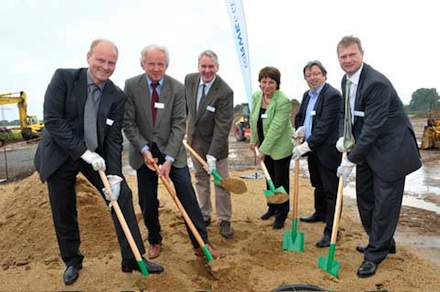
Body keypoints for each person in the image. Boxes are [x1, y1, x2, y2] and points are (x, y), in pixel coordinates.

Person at [33, 39, 164, 286]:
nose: (105, 67)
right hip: (61, 153)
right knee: (64, 207)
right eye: (100, 60)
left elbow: (114, 138)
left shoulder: (116, 95)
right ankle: (73, 261)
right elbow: (52, 120)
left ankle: (133, 258)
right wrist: (83, 152)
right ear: (88, 58)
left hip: (96, 156)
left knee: (121, 195)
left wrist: (114, 174)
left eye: (111, 63)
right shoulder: (64, 79)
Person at [123, 44, 225, 260]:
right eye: (151, 64)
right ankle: (154, 240)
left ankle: (200, 243)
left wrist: (168, 159)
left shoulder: (177, 88)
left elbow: (180, 124)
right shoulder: (131, 86)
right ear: (143, 64)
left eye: (161, 64)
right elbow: (128, 123)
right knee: (147, 202)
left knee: (188, 197)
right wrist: (143, 150)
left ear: (167, 65)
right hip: (143, 153)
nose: (156, 68)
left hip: (172, 152)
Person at [335, 35, 422, 278]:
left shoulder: (376, 83)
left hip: (392, 150)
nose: (348, 60)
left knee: (385, 204)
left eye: (352, 54)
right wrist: (344, 138)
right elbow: (346, 114)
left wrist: (352, 159)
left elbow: (373, 126)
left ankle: (375, 254)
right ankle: (382, 239)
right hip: (369, 149)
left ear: (362, 54)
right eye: (343, 56)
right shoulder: (346, 80)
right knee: (365, 199)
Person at [184, 50, 234, 239]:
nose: (207, 71)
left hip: (216, 144)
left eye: (211, 67)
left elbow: (223, 126)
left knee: (221, 182)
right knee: (200, 179)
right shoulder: (190, 80)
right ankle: (204, 215)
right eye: (203, 66)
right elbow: (186, 108)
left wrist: (213, 154)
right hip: (195, 142)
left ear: (217, 67)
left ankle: (224, 219)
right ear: (198, 66)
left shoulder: (224, 91)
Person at [292, 60, 342, 247]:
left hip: (327, 150)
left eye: (316, 74)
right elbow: (300, 117)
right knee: (317, 184)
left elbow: (325, 127)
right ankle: (320, 213)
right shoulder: (307, 95)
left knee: (331, 191)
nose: (312, 78)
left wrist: (306, 146)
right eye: (308, 75)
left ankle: (332, 230)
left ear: (324, 75)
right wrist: (299, 129)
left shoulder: (332, 96)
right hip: (313, 150)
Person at [249, 66, 293, 229]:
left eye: (271, 82)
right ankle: (272, 207)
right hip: (263, 146)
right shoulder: (256, 96)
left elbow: (276, 128)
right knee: (269, 179)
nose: (267, 85)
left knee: (280, 181)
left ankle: (282, 213)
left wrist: (263, 150)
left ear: (277, 84)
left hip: (280, 148)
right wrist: (254, 140)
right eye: (264, 81)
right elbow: (254, 120)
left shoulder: (283, 101)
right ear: (259, 83)